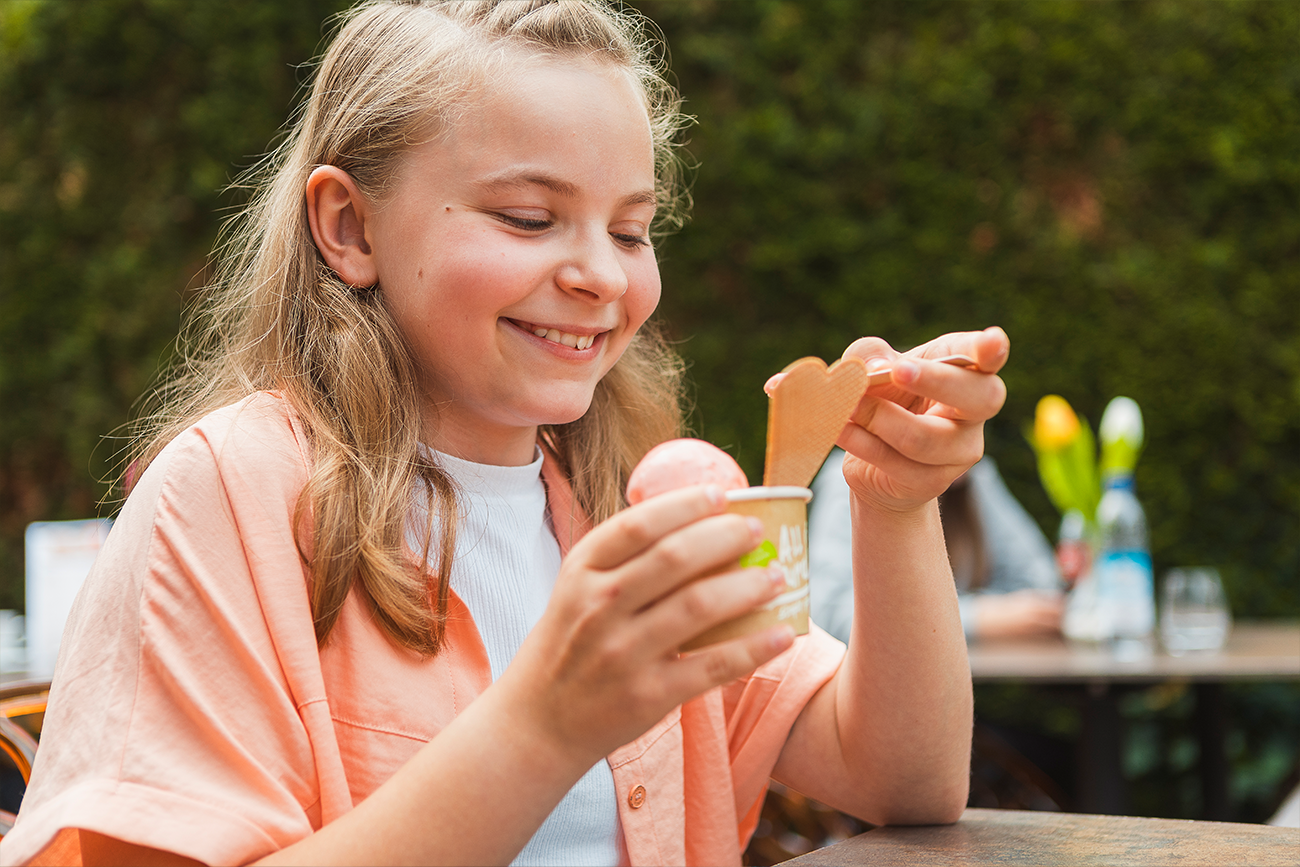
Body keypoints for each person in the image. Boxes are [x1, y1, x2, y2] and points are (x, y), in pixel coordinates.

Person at [0, 2, 1008, 865]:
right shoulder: (227, 497)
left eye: (629, 230)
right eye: (529, 218)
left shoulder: (623, 494)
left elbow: (903, 778)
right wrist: (547, 724)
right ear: (350, 229)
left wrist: (893, 506)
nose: (601, 277)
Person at [810, 449, 1065, 643]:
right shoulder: (855, 477)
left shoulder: (973, 479)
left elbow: (1040, 586)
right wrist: (976, 618)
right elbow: (831, 617)